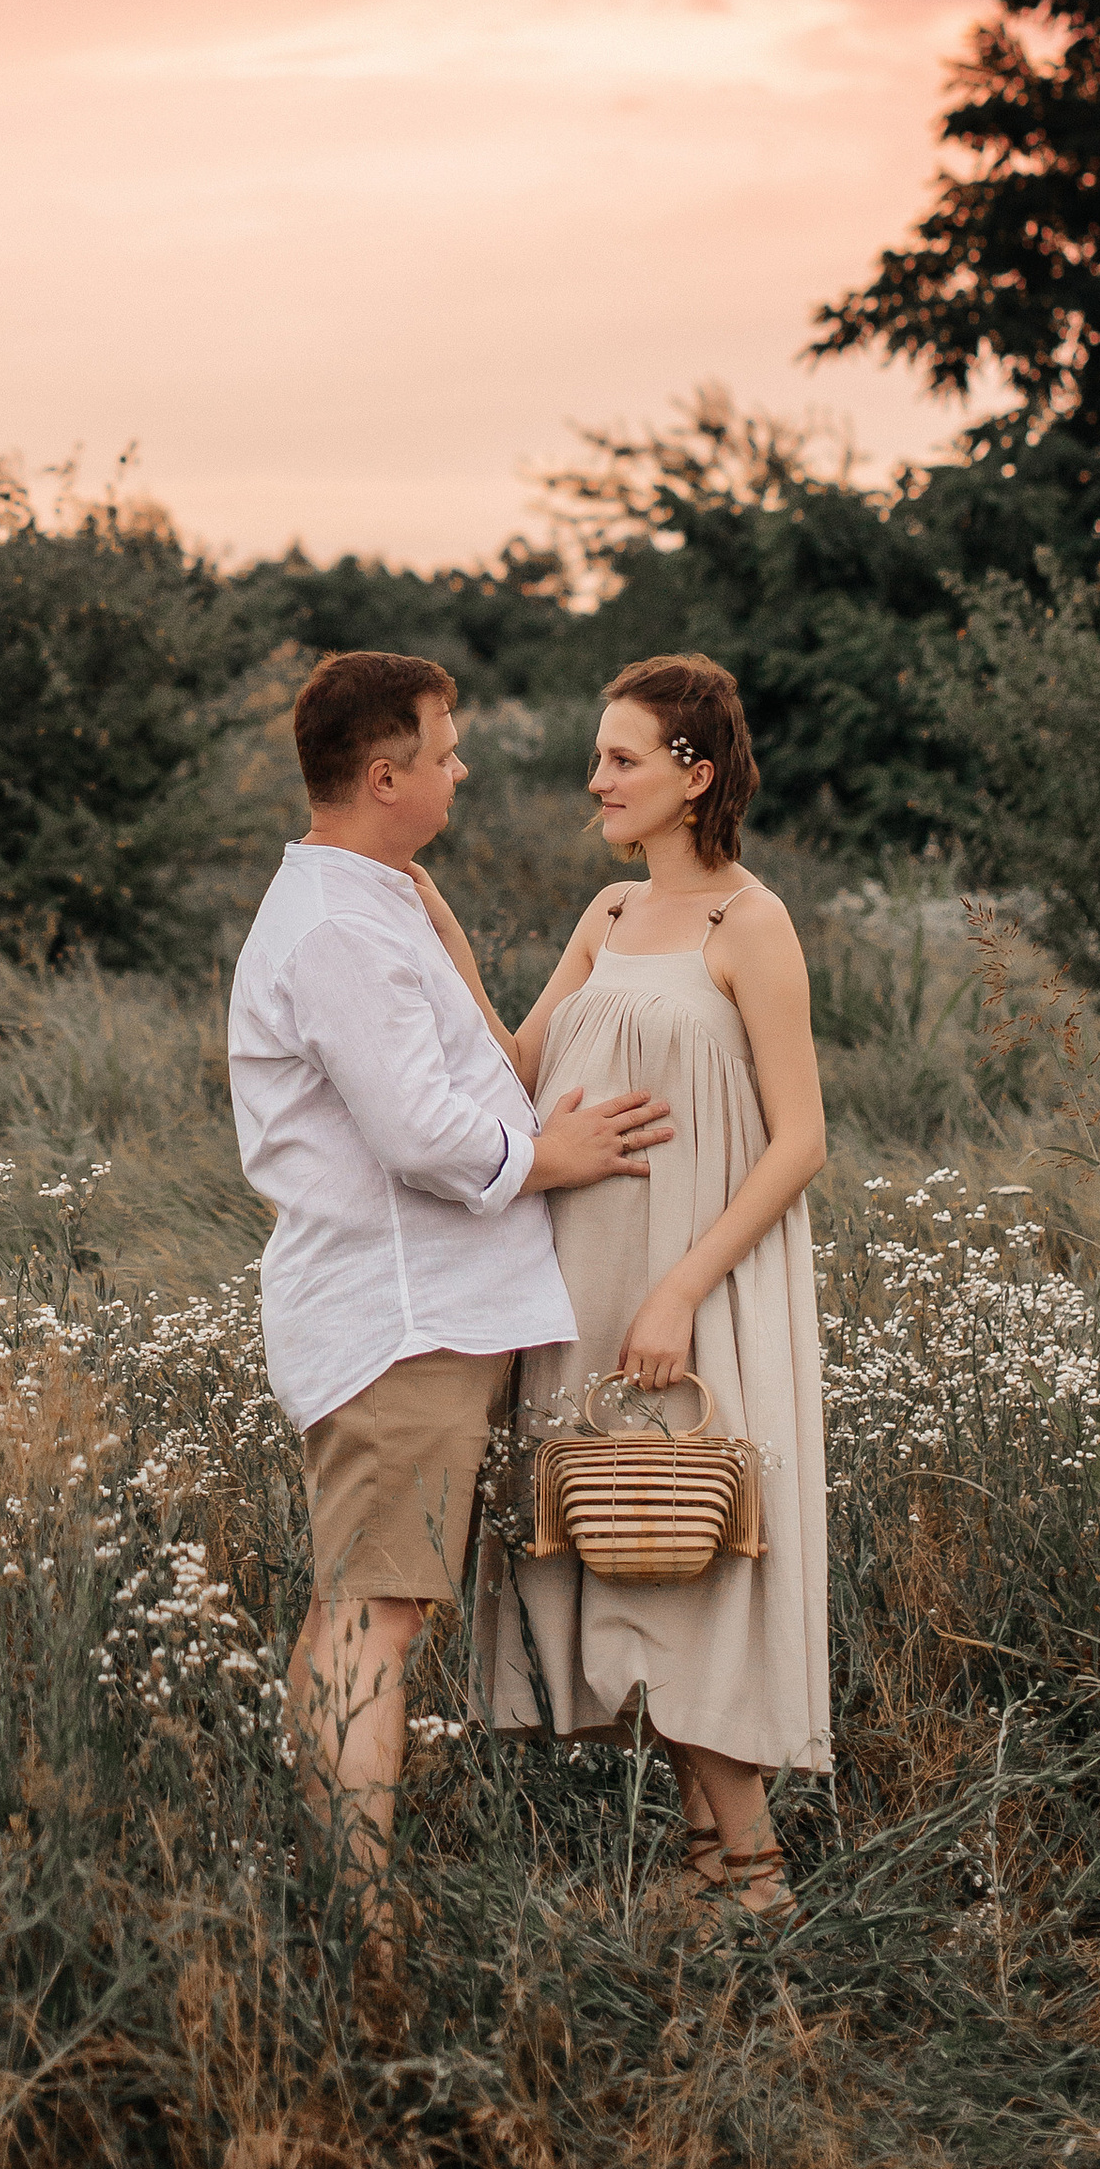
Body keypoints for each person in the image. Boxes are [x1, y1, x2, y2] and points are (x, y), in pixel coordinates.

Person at [228, 650, 674, 1963]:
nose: (461, 765)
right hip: (398, 1320)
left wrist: (576, 967)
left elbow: (485, 1070)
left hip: (429, 1313)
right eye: (446, 746)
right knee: (376, 1612)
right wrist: (558, 1158)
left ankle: (337, 1881)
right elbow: (426, 1131)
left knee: (360, 1606)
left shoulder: (386, 898)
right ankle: (358, 1921)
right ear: (386, 774)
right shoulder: (335, 927)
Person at [422, 653, 830, 1914]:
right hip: (577, 1285)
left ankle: (755, 1879)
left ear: (693, 774)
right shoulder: (604, 916)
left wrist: (678, 1291)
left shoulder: (745, 923)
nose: (594, 778)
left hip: (690, 1290)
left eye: (621, 758)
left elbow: (800, 1138)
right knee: (620, 1539)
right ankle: (707, 1864)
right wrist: (435, 928)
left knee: (693, 1550)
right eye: (598, 755)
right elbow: (514, 1065)